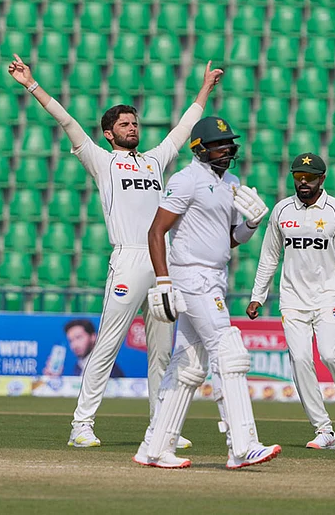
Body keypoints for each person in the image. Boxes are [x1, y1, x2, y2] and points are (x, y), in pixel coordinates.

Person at [8, 54, 223, 448]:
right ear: (109, 133)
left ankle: (162, 426)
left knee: (161, 350)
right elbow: (68, 122)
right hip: (128, 260)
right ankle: (81, 425)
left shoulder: (156, 161)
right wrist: (31, 85)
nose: (132, 128)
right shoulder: (103, 162)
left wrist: (205, 88)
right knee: (107, 344)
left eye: (135, 123)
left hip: (163, 262)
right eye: (124, 124)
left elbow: (183, 128)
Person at [133, 115, 281, 469]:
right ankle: (243, 446)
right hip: (190, 275)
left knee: (189, 364)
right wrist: (164, 280)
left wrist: (250, 225)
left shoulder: (231, 181)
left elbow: (226, 238)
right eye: (219, 144)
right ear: (200, 149)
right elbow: (156, 232)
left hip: (215, 276)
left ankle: (154, 449)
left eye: (229, 143)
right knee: (227, 349)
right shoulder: (185, 180)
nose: (227, 149)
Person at [246, 153, 335, 450]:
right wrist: (257, 296)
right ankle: (324, 429)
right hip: (292, 298)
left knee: (330, 355)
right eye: (298, 177)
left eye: (310, 177)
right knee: (301, 359)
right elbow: (269, 257)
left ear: (322, 179)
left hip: (328, 295)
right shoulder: (281, 211)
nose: (303, 183)